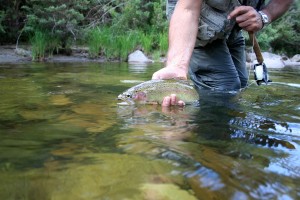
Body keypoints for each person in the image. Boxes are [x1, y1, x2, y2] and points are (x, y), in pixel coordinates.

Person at [152, 0, 294, 107]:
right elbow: (187, 9)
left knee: (241, 84)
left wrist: (264, 16)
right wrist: (177, 65)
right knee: (225, 89)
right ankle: (209, 143)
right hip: (196, 23)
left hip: (233, 25)